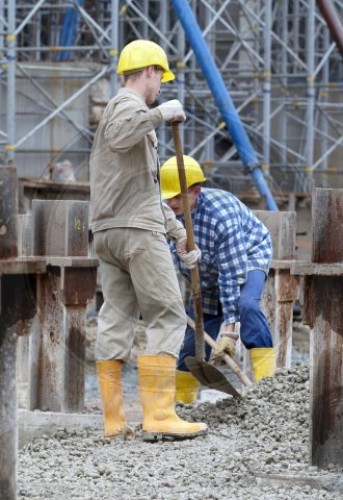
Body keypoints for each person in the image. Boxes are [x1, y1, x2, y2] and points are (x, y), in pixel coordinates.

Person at [89, 40, 207, 441]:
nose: (160, 85)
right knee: (167, 314)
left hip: (109, 233)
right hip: (136, 233)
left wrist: (178, 236)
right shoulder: (128, 107)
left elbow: (145, 192)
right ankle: (158, 415)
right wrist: (159, 113)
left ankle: (114, 422)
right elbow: (123, 135)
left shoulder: (127, 112)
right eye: (159, 78)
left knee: (116, 320)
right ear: (151, 72)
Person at [160, 155, 276, 403]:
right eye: (167, 196)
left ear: (197, 191)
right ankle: (183, 406)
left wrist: (230, 333)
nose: (171, 202)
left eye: (178, 196)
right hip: (204, 269)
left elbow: (230, 273)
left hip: (248, 254)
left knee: (247, 305)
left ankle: (269, 389)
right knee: (193, 341)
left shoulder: (221, 215)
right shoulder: (165, 212)